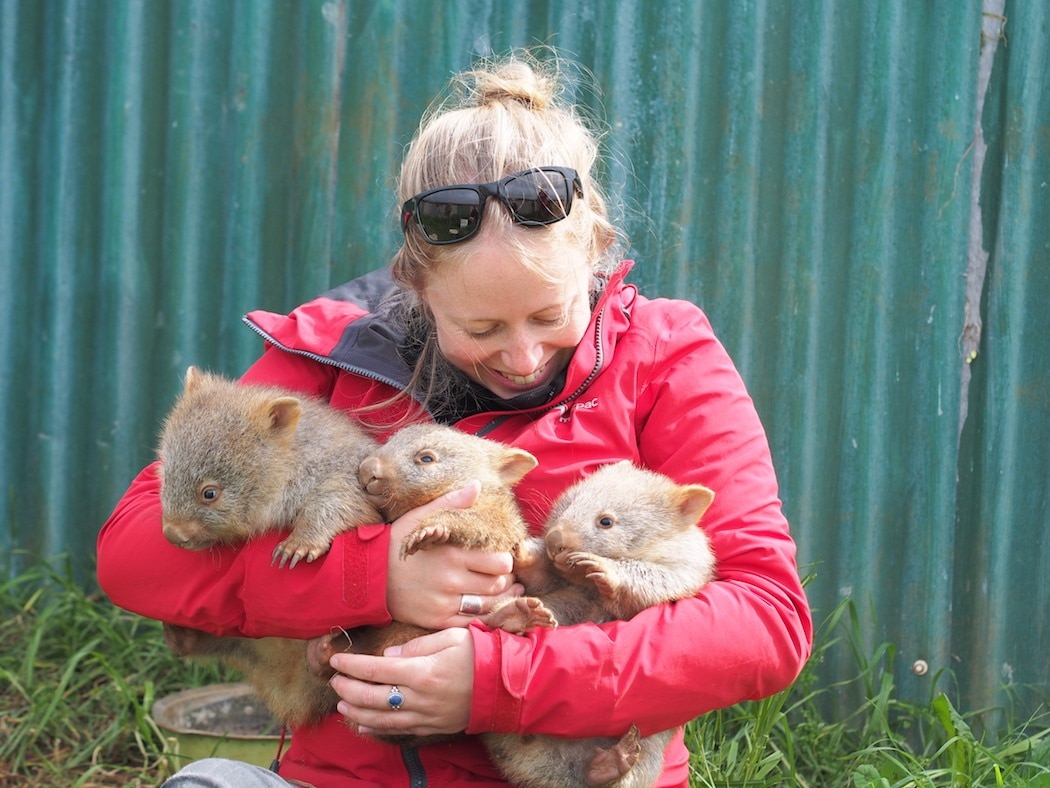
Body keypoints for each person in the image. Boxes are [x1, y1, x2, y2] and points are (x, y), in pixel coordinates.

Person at [97, 51, 812, 787]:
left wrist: (502, 679)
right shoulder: (331, 352)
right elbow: (133, 557)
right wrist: (374, 578)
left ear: (595, 249)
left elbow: (767, 620)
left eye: (549, 314)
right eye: (482, 326)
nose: (524, 355)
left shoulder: (665, 354)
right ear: (414, 280)